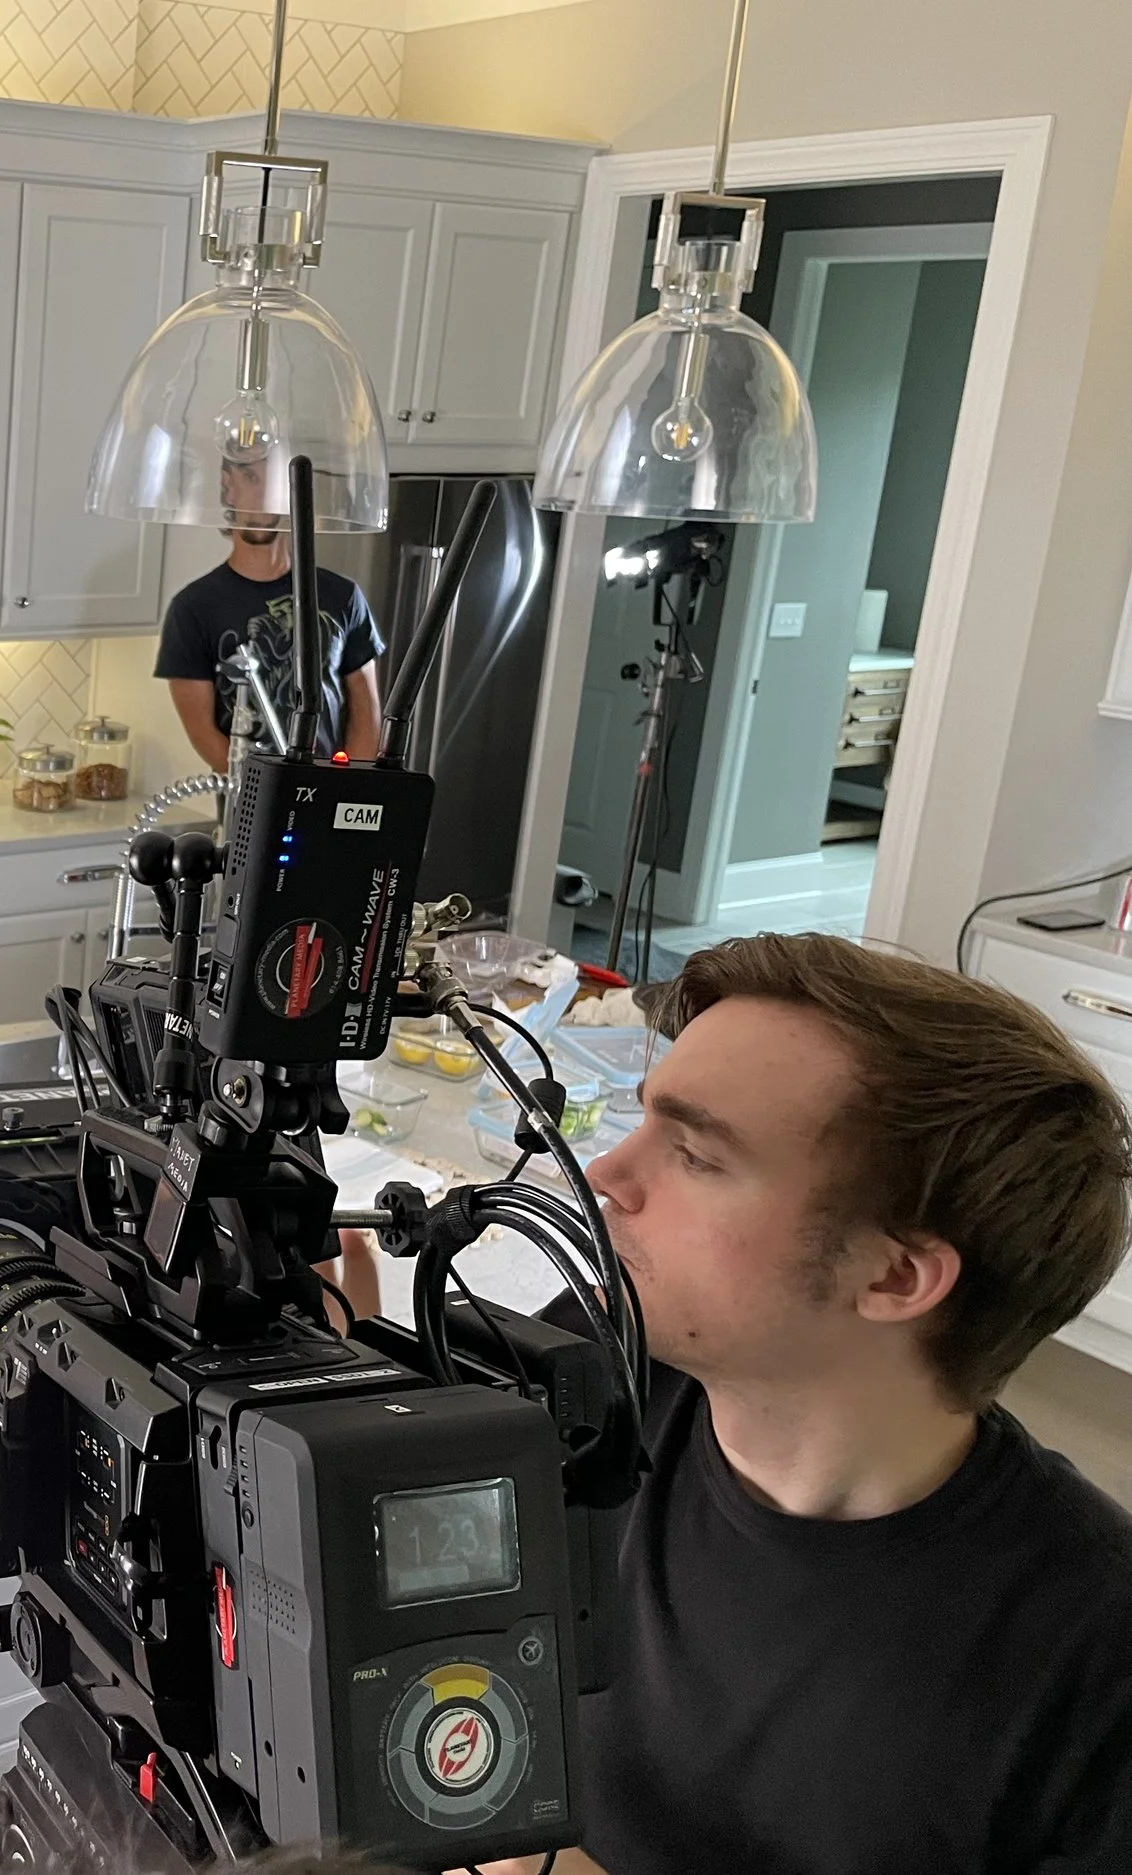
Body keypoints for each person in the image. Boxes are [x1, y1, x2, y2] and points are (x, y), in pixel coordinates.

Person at [473, 934, 1132, 1875]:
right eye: (642, 1121)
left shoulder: (1094, 1667)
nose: (610, 1175)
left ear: (896, 1275)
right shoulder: (588, 1368)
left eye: (696, 1153)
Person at [153, 454, 384, 769]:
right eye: (250, 480)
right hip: (246, 804)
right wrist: (267, 794)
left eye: (271, 482)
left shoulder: (342, 596)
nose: (260, 498)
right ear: (227, 487)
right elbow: (203, 733)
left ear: (291, 493)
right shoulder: (192, 608)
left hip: (328, 797)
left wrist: (347, 785)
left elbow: (366, 709)